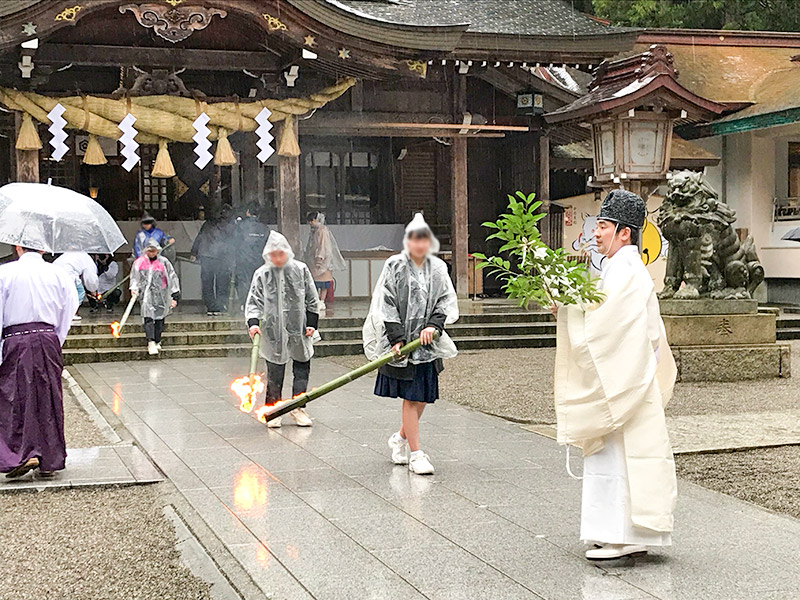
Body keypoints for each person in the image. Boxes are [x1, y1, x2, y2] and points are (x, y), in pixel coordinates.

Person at [552, 190, 678, 561]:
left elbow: (606, 329)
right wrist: (570, 305)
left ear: (625, 233)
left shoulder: (625, 270)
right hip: (630, 379)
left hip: (626, 380)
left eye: (603, 226)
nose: (597, 233)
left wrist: (570, 312)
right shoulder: (621, 269)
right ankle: (625, 533)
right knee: (627, 458)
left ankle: (623, 535)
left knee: (621, 459)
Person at [363, 213, 459, 475]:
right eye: (415, 239)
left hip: (427, 343)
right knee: (411, 396)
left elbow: (445, 300)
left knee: (423, 398)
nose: (420, 244)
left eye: (424, 239)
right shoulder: (394, 265)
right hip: (402, 344)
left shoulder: (438, 268)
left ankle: (400, 439)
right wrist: (397, 337)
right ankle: (416, 454)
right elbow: (387, 302)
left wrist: (433, 325)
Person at [0, 245, 78, 479]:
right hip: (48, 338)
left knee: (13, 397)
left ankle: (19, 455)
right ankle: (48, 458)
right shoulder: (59, 274)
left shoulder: (5, 273)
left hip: (15, 340)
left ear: (17, 246)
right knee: (48, 398)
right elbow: (69, 309)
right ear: (43, 248)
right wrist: (56, 339)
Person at [245, 232, 318, 428]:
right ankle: (273, 408)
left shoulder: (300, 269)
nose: (277, 258)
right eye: (273, 255)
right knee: (275, 370)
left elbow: (312, 297)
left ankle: (298, 407)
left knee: (302, 366)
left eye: (280, 254)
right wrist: (253, 323)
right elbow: (254, 301)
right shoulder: (262, 274)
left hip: (299, 327)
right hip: (272, 330)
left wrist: (312, 323)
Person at [131, 238, 180, 356]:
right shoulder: (139, 262)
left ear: (157, 251)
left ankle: (157, 339)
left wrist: (175, 295)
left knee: (159, 318)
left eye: (153, 251)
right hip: (146, 294)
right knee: (148, 317)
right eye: (149, 251)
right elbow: (135, 277)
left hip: (162, 294)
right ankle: (150, 341)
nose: (151, 253)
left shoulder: (164, 262)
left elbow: (172, 277)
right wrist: (134, 288)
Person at [191, 205, 234, 316]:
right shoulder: (230, 226)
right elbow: (233, 243)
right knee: (222, 282)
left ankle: (211, 306)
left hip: (206, 256)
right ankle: (220, 305)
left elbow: (199, 238)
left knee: (207, 282)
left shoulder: (208, 224)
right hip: (222, 257)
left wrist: (194, 252)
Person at [304, 212, 346, 310]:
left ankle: (321, 300)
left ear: (315, 220)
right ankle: (316, 300)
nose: (310, 223)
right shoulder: (315, 230)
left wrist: (320, 257)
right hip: (314, 260)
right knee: (315, 282)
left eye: (311, 221)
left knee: (324, 282)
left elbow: (324, 245)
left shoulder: (322, 230)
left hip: (322, 260)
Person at [234, 204, 270, 311]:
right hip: (260, 259)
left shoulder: (241, 226)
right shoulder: (264, 228)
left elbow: (235, 242)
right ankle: (259, 303)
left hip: (244, 259)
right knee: (260, 281)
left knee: (244, 282)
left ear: (247, 212)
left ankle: (246, 304)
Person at [53, 251, 99, 321]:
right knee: (79, 292)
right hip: (68, 274)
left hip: (55, 272)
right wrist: (93, 290)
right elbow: (91, 278)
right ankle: (72, 313)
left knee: (61, 295)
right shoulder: (87, 259)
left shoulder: (70, 254)